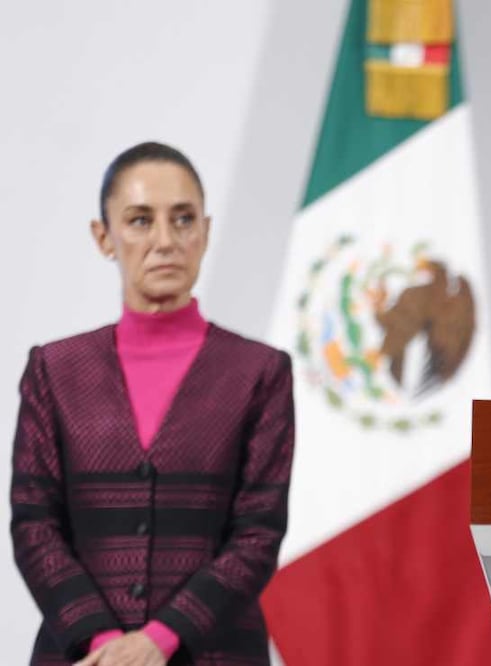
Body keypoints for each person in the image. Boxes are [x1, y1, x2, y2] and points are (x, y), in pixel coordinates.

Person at [10, 142, 294, 665]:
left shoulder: (259, 372)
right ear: (104, 237)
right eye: (140, 220)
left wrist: (158, 641)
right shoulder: (55, 370)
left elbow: (258, 533)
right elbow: (34, 525)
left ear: (204, 231)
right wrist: (105, 645)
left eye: (183, 219)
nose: (165, 240)